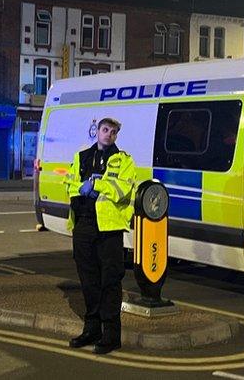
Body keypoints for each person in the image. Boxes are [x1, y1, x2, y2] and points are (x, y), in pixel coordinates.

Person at [64, 117, 136, 355]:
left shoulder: (124, 160)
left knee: (110, 282)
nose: (109, 134)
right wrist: (83, 186)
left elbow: (123, 189)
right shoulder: (81, 157)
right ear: (97, 131)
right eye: (105, 130)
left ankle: (111, 335)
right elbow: (69, 185)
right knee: (89, 281)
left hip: (108, 229)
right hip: (84, 225)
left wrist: (97, 185)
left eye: (113, 132)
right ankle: (92, 329)